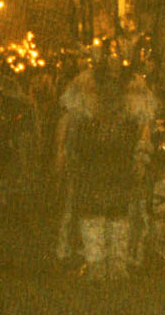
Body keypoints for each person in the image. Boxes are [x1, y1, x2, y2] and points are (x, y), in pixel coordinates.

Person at [54, 38, 156, 280]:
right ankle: (95, 261)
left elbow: (145, 122)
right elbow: (68, 118)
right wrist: (60, 150)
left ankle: (118, 261)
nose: (114, 61)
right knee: (92, 208)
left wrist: (141, 153)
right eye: (109, 55)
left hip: (121, 156)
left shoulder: (135, 84)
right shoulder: (84, 82)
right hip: (91, 155)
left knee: (119, 210)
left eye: (118, 55)